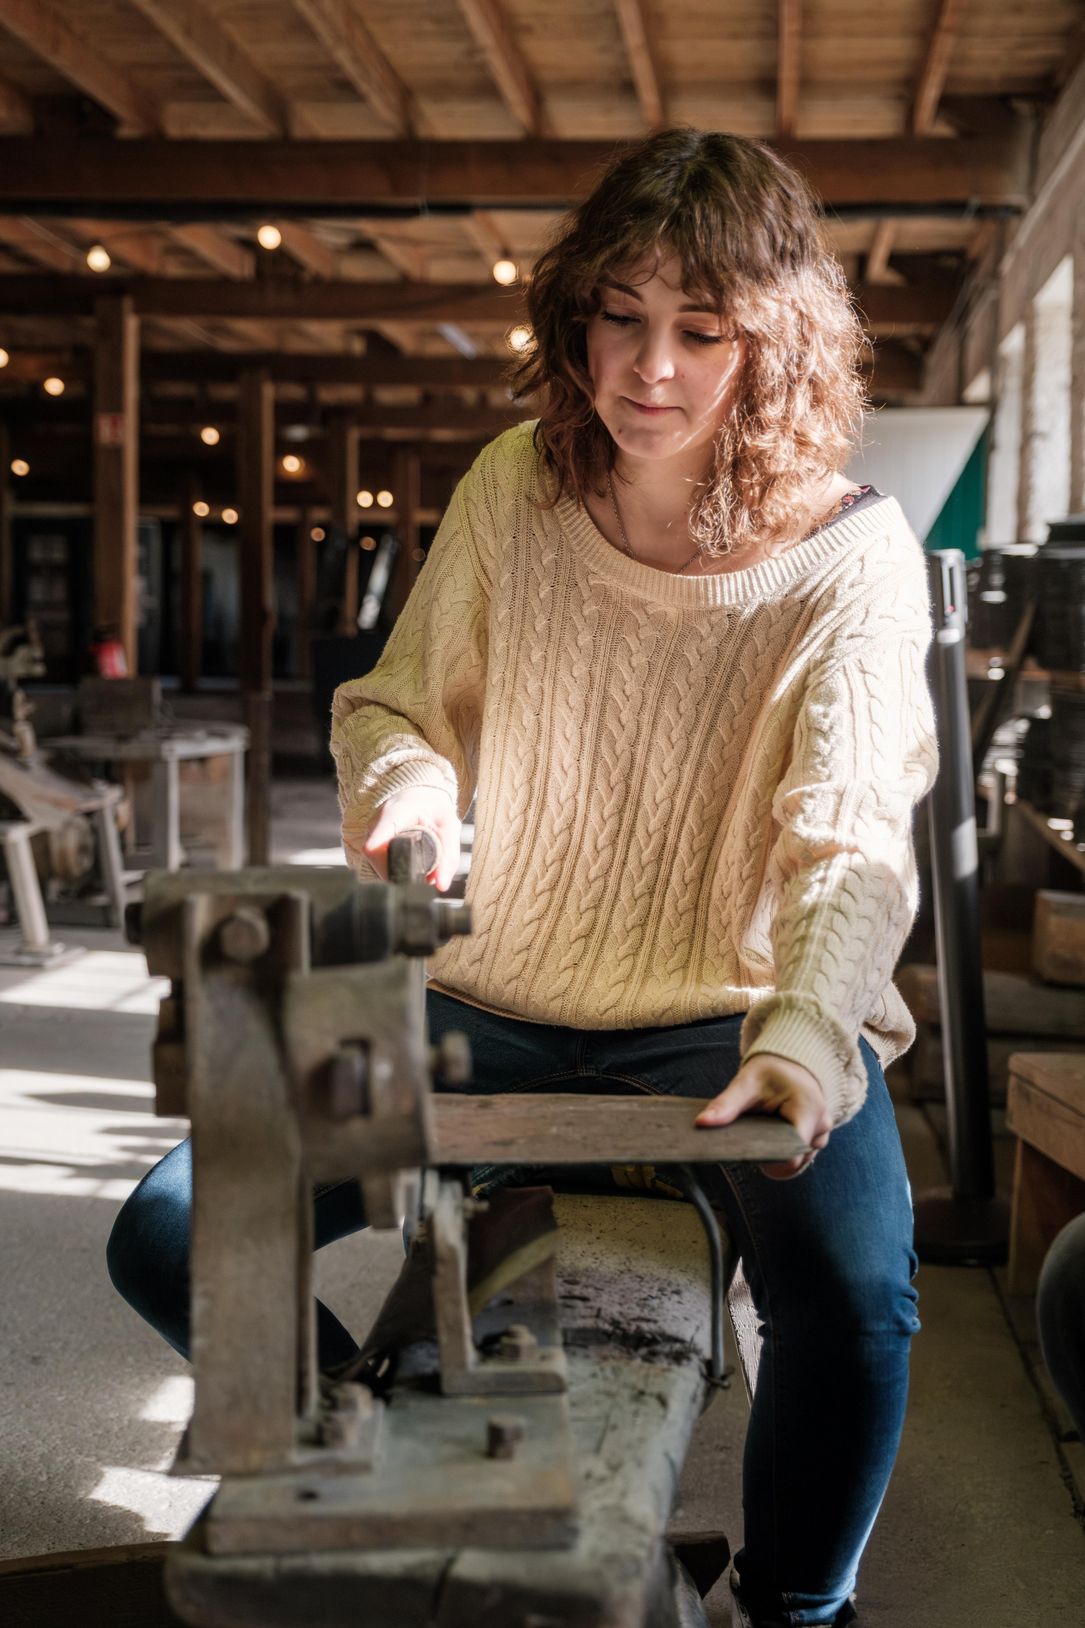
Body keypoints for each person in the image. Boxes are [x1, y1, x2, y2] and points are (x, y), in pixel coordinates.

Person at [107, 129, 937, 1628]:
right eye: (618, 314)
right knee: (169, 1227)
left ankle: (797, 1608)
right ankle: (362, 1471)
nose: (649, 368)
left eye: (702, 329)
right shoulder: (517, 485)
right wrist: (413, 810)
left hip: (726, 1011)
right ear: (574, 317)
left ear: (778, 340)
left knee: (861, 1308)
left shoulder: (847, 557)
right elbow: (396, 708)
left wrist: (808, 1036)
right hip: (491, 987)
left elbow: (851, 835)